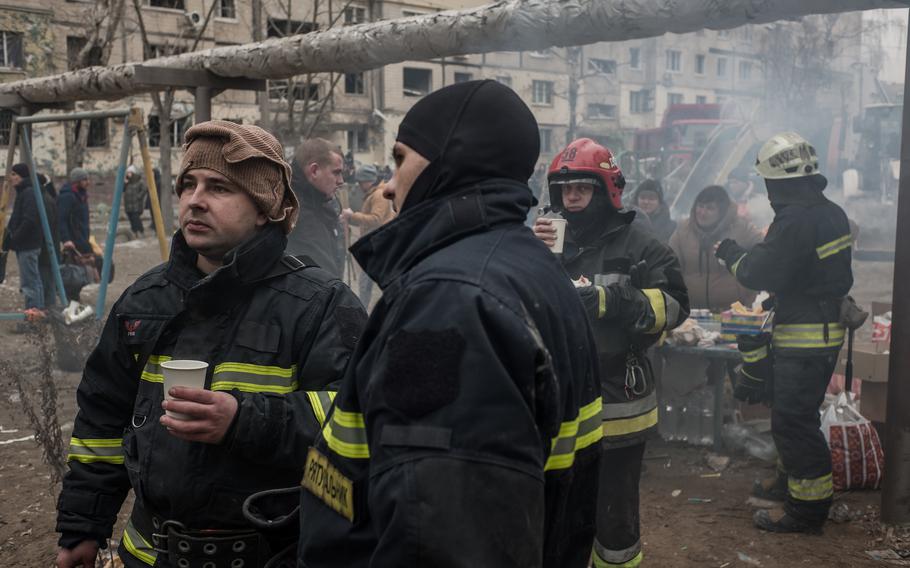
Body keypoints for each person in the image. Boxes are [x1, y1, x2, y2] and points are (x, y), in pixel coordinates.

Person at [298, 80, 602, 568]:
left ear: (450, 160)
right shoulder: (530, 266)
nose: (390, 185)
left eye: (401, 159)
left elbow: (438, 540)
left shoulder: (449, 301)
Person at [55, 120, 366, 568]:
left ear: (264, 208)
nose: (195, 200)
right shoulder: (144, 301)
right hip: (152, 555)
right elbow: (102, 420)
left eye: (219, 187)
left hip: (271, 554)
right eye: (188, 185)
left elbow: (361, 420)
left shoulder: (319, 304)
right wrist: (83, 527)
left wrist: (244, 420)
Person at [533, 138, 689, 568]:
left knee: (613, 516)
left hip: (617, 402)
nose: (572, 196)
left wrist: (615, 301)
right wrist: (531, 256)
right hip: (557, 400)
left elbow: (676, 306)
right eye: (564, 189)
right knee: (556, 507)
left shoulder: (641, 245)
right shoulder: (545, 241)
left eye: (583, 187)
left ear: (606, 189)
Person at [715, 132, 853, 534]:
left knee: (794, 422)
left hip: (806, 335)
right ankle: (787, 483)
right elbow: (814, 271)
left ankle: (806, 511)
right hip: (818, 328)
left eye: (768, 182)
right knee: (792, 414)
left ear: (781, 181)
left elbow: (760, 271)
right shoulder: (831, 213)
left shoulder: (795, 220)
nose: (767, 190)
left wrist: (730, 253)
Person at [669, 185, 763, 311]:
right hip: (691, 312)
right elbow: (670, 267)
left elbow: (763, 256)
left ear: (722, 212)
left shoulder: (742, 229)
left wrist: (749, 294)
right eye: (700, 206)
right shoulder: (682, 232)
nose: (702, 212)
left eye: (710, 208)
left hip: (733, 312)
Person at [286, 138, 346, 278]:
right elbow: (327, 282)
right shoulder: (301, 215)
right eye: (336, 172)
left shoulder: (312, 204)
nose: (341, 181)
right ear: (314, 171)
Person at [340, 164, 395, 305]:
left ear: (367, 181)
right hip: (376, 242)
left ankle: (363, 313)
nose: (358, 185)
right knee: (371, 282)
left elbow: (376, 219)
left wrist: (352, 216)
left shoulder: (378, 195)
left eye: (360, 182)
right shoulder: (375, 193)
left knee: (366, 283)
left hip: (378, 244)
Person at [5, 163, 47, 312]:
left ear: (22, 176)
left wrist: (14, 238)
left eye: (14, 174)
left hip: (27, 244)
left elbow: (29, 220)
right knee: (33, 280)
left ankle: (33, 315)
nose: (11, 178)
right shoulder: (24, 192)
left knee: (30, 282)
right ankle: (37, 311)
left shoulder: (28, 192)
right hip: (27, 244)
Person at [57, 167, 92, 255]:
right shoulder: (67, 196)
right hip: (73, 241)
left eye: (88, 179)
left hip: (83, 238)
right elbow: (61, 219)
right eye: (85, 179)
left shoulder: (82, 196)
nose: (88, 182)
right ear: (77, 181)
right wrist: (66, 239)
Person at [632, 178, 676, 243]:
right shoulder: (626, 224)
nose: (646, 202)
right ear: (636, 200)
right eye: (643, 197)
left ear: (659, 202)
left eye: (651, 198)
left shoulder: (672, 228)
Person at [122, 165, 148, 238]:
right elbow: (122, 190)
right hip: (128, 205)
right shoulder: (128, 182)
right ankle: (134, 233)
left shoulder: (139, 181)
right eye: (127, 173)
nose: (128, 174)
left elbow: (144, 189)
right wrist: (125, 183)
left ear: (133, 173)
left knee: (136, 219)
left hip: (136, 205)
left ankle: (141, 232)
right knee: (131, 220)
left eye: (129, 173)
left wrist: (138, 197)